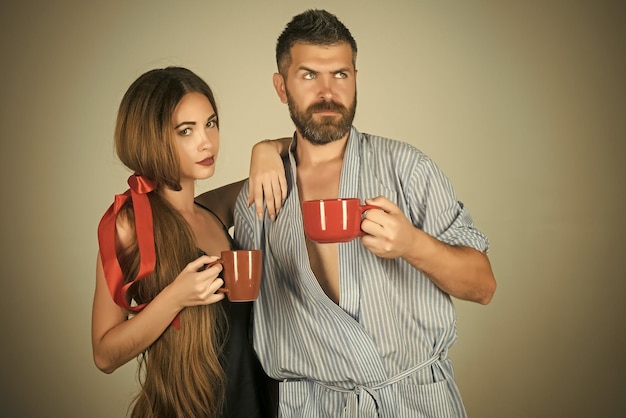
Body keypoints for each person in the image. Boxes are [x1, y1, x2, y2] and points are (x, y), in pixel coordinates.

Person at [233, 9, 497, 418]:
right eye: (308, 76)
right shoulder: (262, 194)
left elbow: (483, 286)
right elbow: (240, 307)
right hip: (309, 408)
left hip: (415, 402)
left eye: (340, 74)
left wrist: (412, 244)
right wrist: (263, 148)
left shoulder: (407, 168)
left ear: (356, 78)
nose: (327, 91)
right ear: (281, 87)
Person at [91, 66, 288, 418]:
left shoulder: (213, 208)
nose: (206, 141)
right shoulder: (129, 224)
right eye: (186, 130)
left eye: (210, 123)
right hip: (188, 408)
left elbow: (298, 156)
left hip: (254, 401)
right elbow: (105, 354)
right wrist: (176, 297)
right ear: (151, 138)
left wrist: (266, 148)